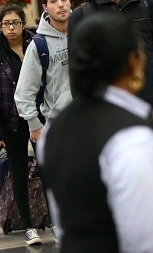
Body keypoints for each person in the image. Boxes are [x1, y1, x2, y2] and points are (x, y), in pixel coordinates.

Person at [41, 13, 153, 252]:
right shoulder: (130, 137)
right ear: (133, 61)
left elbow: (63, 224)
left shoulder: (56, 129)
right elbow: (144, 240)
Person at [0, 5, 41, 246]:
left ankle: (55, 219)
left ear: (23, 23)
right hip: (12, 121)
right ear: (0, 26)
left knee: (48, 168)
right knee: (19, 171)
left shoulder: (37, 45)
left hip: (39, 117)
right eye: (6, 24)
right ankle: (29, 225)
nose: (11, 28)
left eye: (15, 22)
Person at [69, 0, 153, 105]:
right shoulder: (82, 16)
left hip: (148, 103)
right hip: (106, 109)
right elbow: (77, 71)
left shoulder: (148, 5)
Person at [15, 0, 73, 144]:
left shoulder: (84, 32)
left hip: (91, 118)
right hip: (58, 124)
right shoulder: (39, 45)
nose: (61, 5)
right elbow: (24, 91)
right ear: (45, 7)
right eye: (54, 1)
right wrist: (34, 124)